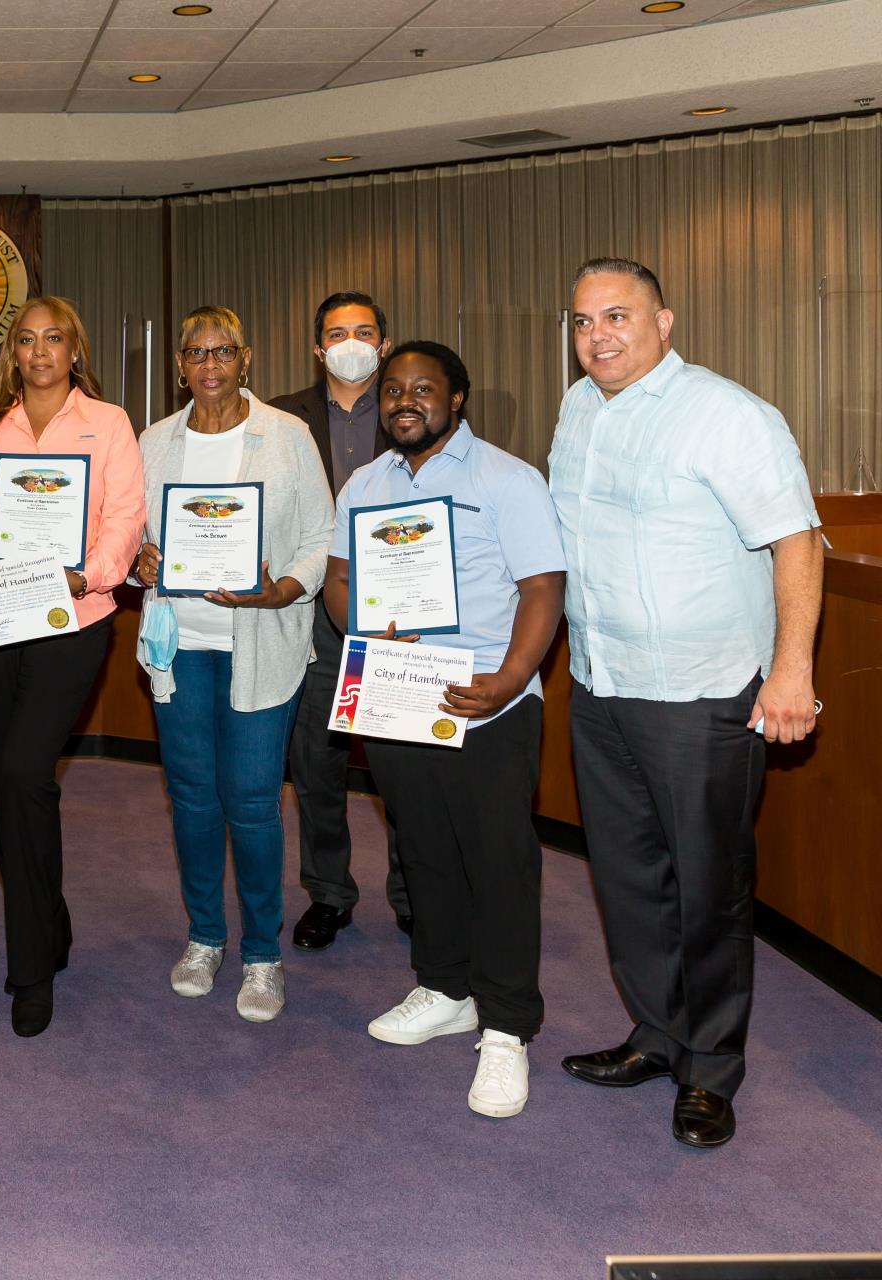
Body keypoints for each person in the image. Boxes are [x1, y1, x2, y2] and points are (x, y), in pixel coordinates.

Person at [551, 257, 822, 1148]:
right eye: (585, 321)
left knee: (708, 889)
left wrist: (790, 673)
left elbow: (795, 541)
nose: (600, 336)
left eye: (619, 316)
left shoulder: (728, 414)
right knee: (628, 882)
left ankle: (710, 1069)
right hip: (600, 684)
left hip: (703, 695)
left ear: (664, 322)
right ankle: (657, 1036)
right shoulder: (578, 409)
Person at [324, 341, 565, 1120]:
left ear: (456, 399)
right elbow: (338, 578)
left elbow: (542, 587)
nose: (405, 401)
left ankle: (505, 1028)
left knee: (497, 859)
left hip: (483, 696)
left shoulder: (507, 479)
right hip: (396, 694)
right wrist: (360, 623)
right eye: (393, 389)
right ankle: (444, 986)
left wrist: (505, 680)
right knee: (421, 848)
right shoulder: (364, 482)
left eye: (422, 389)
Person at [0, 296, 145, 1037]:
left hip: (72, 617)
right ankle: (48, 921)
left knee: (23, 770)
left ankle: (31, 969)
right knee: (8, 782)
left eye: (55, 338)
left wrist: (86, 576)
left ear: (74, 349)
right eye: (27, 340)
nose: (41, 351)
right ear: (12, 353)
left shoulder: (109, 423)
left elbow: (124, 520)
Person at [133, 306, 333, 1024]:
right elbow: (127, 532)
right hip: (179, 644)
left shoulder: (286, 436)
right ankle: (204, 938)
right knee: (191, 799)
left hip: (261, 641)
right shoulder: (155, 441)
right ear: (180, 364)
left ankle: (261, 955)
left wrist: (285, 586)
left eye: (223, 351)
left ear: (244, 359)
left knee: (252, 802)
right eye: (196, 353)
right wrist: (137, 558)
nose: (210, 364)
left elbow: (320, 534)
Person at [272, 292, 410, 950]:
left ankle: (415, 894)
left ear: (384, 343)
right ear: (318, 347)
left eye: (364, 332)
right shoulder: (279, 418)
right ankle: (329, 893)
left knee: (402, 764)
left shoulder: (415, 403)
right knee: (316, 762)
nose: (351, 343)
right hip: (312, 613)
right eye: (336, 332)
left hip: (400, 613)